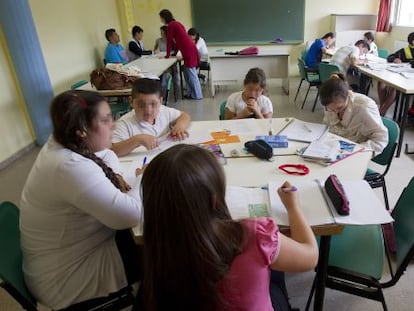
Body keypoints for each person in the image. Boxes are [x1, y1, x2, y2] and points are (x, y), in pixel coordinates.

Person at [140, 144, 318, 310]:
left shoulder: (159, 251)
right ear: (214, 200)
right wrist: (294, 207)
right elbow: (310, 256)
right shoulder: (253, 235)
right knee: (275, 270)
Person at [19, 90, 142, 310]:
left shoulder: (64, 140)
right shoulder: (69, 166)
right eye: (105, 120)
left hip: (65, 255)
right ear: (82, 131)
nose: (113, 124)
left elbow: (108, 154)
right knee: (163, 251)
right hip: (67, 279)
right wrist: (143, 179)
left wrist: (116, 176)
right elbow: (131, 215)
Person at [111, 78, 191, 157]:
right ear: (131, 101)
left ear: (160, 101)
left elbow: (184, 116)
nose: (148, 111)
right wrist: (138, 140)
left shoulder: (163, 111)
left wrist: (180, 126)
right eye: (141, 105)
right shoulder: (124, 123)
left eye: (153, 104)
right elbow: (112, 150)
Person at [319, 73, 388, 153]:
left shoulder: (364, 107)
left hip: (357, 152)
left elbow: (381, 139)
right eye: (331, 109)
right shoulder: (330, 105)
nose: (336, 112)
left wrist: (356, 150)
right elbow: (326, 127)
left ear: (348, 94)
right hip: (333, 149)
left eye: (339, 108)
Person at [159, 9, 203, 100]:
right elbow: (179, 41)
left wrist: (167, 55)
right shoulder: (177, 23)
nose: (161, 20)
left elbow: (170, 41)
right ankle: (190, 94)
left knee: (192, 74)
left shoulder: (171, 25)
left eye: (161, 18)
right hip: (189, 49)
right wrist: (174, 52)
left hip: (188, 50)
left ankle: (198, 95)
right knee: (187, 73)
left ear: (164, 18)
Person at [377, 32, 414, 116]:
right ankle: (383, 108)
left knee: (394, 88)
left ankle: (382, 110)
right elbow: (389, 57)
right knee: (381, 82)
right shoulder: (404, 51)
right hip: (400, 75)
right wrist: (394, 59)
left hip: (410, 80)